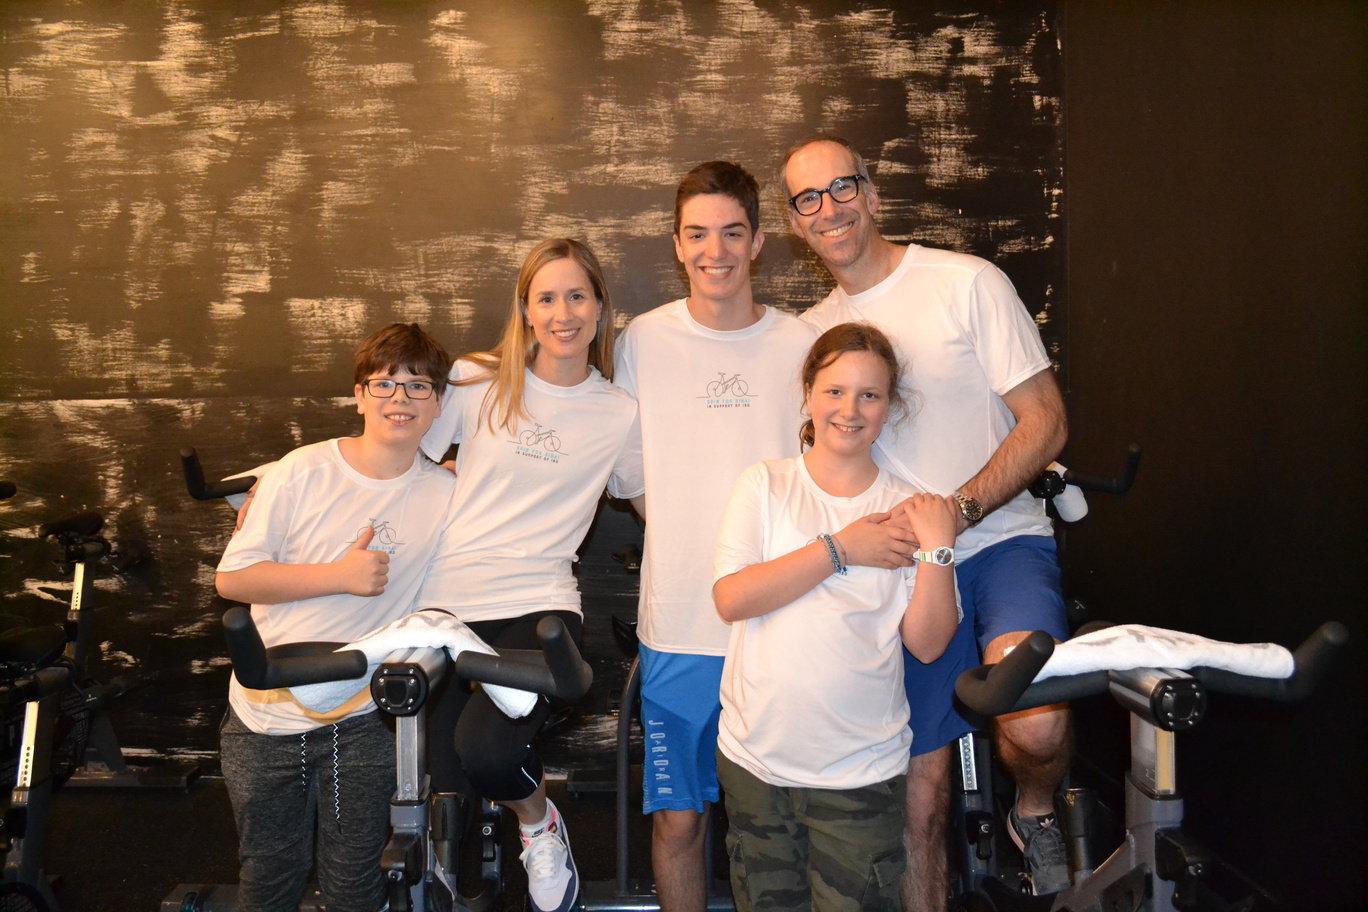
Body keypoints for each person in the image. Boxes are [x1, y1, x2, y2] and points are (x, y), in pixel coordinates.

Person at [781, 136, 1072, 904]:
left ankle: (1036, 810)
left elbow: (1044, 421)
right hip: (903, 573)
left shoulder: (966, 282)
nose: (828, 208)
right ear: (796, 223)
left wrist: (964, 510)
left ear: (873, 195)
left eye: (841, 187)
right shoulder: (810, 334)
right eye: (808, 198)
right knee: (920, 789)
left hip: (1002, 542)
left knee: (1036, 723)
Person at [612, 161, 831, 912]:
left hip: (784, 623)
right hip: (679, 626)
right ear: (677, 246)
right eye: (698, 234)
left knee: (780, 820)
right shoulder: (642, 340)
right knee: (680, 819)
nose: (716, 251)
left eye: (732, 233)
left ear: (759, 241)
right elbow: (633, 478)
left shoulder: (802, 342)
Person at [416, 237, 642, 912]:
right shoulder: (475, 379)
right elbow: (405, 462)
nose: (563, 312)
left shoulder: (618, 411)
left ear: (600, 308)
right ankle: (459, 884)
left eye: (578, 295)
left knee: (486, 751)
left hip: (538, 605)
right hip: (446, 604)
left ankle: (539, 823)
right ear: (525, 308)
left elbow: (650, 500)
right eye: (547, 297)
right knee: (443, 782)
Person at [712, 322, 961, 912]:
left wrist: (938, 549)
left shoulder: (909, 509)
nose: (850, 409)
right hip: (756, 767)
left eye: (869, 395)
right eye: (835, 391)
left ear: (889, 407)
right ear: (807, 394)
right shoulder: (765, 485)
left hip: (860, 777)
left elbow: (927, 645)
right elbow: (733, 597)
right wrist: (841, 548)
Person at [215, 322, 458, 912]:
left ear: (440, 404)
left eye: (419, 387)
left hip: (363, 719)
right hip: (266, 716)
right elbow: (233, 578)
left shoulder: (449, 495)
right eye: (384, 384)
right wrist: (340, 576)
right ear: (358, 395)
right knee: (269, 877)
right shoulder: (301, 470)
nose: (399, 400)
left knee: (355, 884)